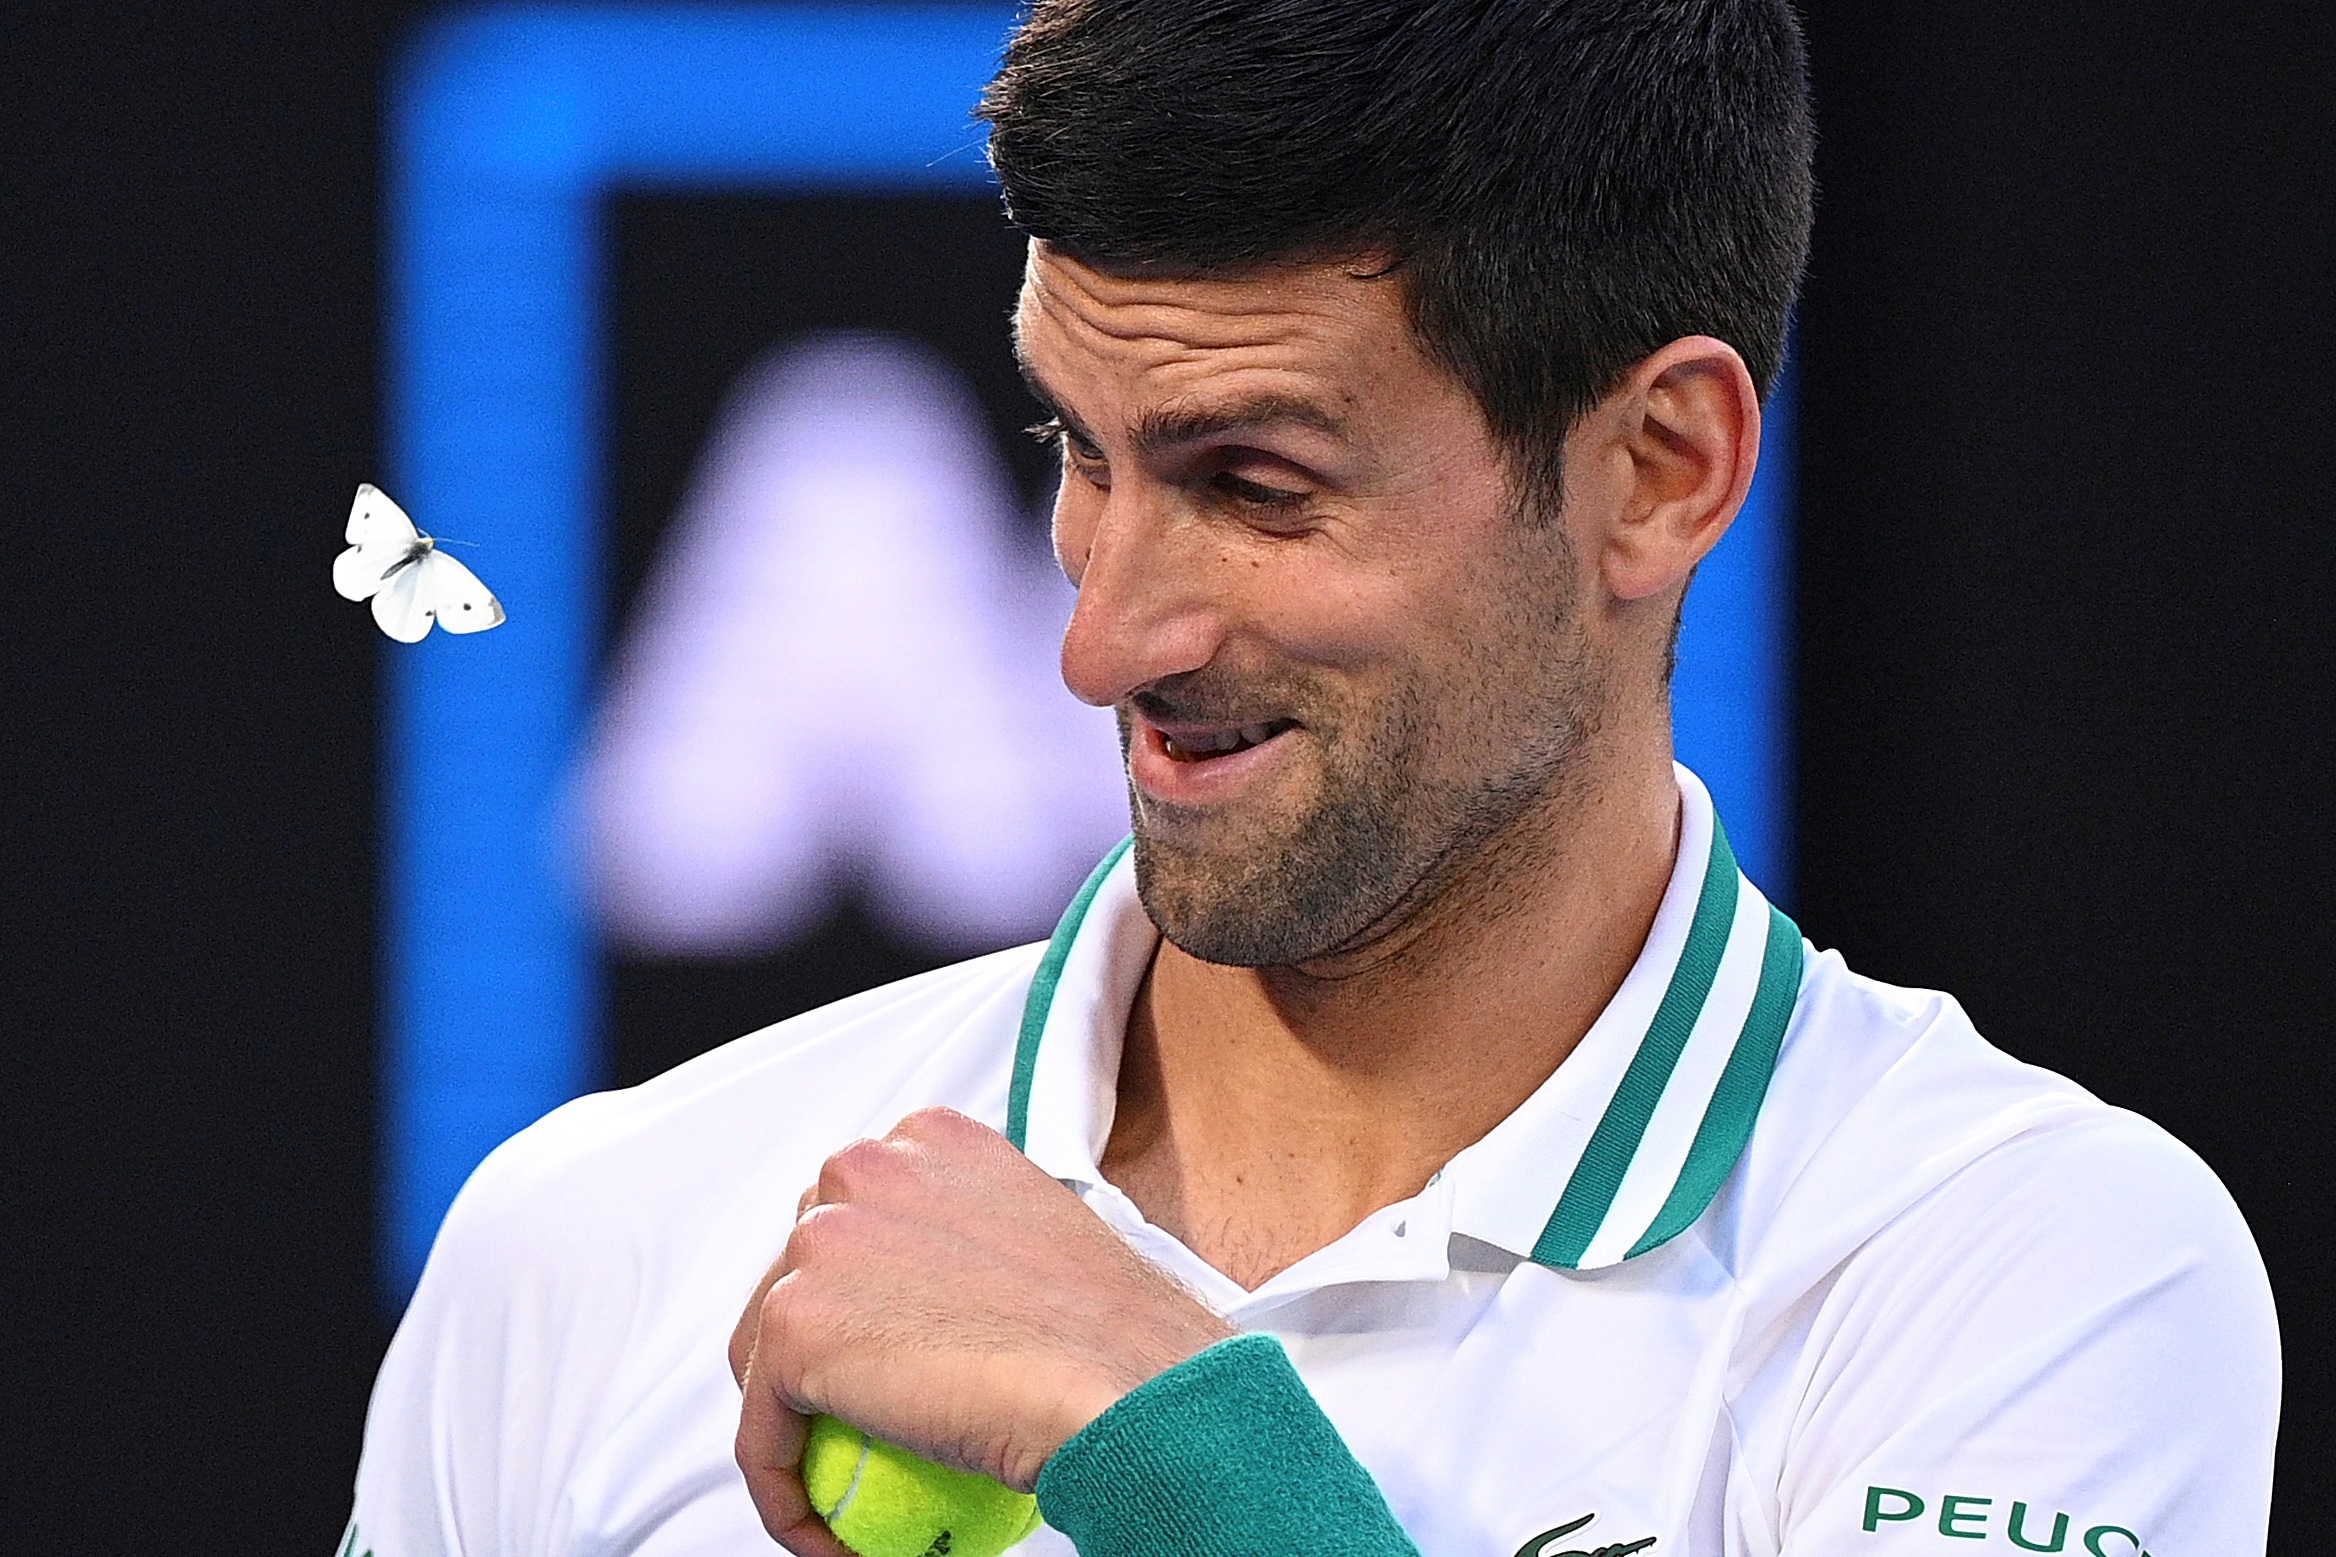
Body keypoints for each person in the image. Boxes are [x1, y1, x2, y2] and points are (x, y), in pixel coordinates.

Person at [345, 1, 2281, 1553]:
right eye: (1077, 447)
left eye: (1254, 485)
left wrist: (1177, 1447)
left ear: (1661, 467)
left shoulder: (2029, 1276)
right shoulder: (588, 1249)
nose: (1101, 638)